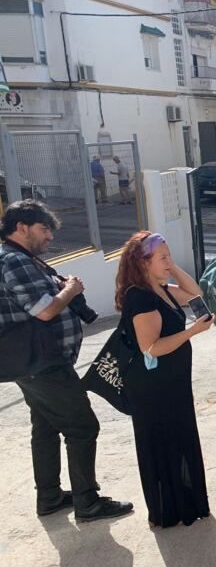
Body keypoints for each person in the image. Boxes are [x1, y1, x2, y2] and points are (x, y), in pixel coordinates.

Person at [0, 200, 133, 521]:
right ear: (21, 227)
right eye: (44, 229)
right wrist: (70, 290)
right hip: (42, 363)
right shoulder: (14, 260)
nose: (49, 237)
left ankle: (50, 496)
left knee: (45, 426)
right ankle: (88, 502)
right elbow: (44, 310)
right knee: (83, 426)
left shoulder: (22, 259)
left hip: (34, 362)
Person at [116, 232, 214, 527]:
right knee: (162, 444)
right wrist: (192, 332)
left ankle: (189, 502)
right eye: (162, 258)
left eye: (169, 255)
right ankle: (168, 510)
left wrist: (172, 266)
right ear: (143, 263)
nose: (169, 262)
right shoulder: (141, 298)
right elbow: (152, 348)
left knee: (182, 439)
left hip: (173, 381)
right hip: (152, 387)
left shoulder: (162, 289)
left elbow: (196, 295)